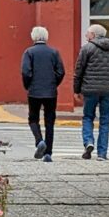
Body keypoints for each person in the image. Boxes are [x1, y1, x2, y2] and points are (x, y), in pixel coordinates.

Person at [73, 23, 109, 161]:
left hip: (90, 89)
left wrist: (76, 90)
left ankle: (89, 141)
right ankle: (102, 154)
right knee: (105, 121)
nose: (86, 35)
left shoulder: (87, 48)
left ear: (93, 35)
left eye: (88, 33)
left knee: (88, 117)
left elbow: (79, 71)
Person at [21, 26, 65, 163]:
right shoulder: (54, 52)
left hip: (34, 91)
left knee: (33, 118)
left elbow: (26, 71)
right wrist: (54, 83)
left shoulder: (29, 52)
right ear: (46, 37)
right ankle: (48, 153)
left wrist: (28, 85)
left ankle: (39, 140)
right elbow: (61, 71)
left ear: (33, 37)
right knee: (50, 122)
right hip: (50, 92)